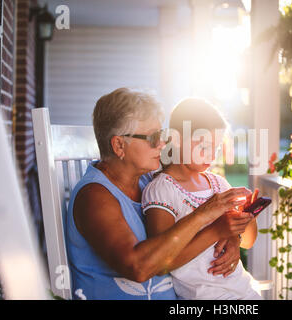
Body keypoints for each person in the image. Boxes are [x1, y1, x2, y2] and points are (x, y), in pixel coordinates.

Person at [65, 88, 253, 300]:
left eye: (161, 135)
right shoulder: (94, 197)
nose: (162, 144)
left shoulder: (148, 181)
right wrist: (205, 215)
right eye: (152, 137)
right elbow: (138, 268)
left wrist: (232, 235)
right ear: (119, 145)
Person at [142, 98, 262, 300]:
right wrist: (217, 229)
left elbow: (248, 242)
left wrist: (246, 219)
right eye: (204, 146)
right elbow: (161, 262)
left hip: (244, 293)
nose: (211, 156)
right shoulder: (162, 190)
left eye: (215, 148)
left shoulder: (219, 184)